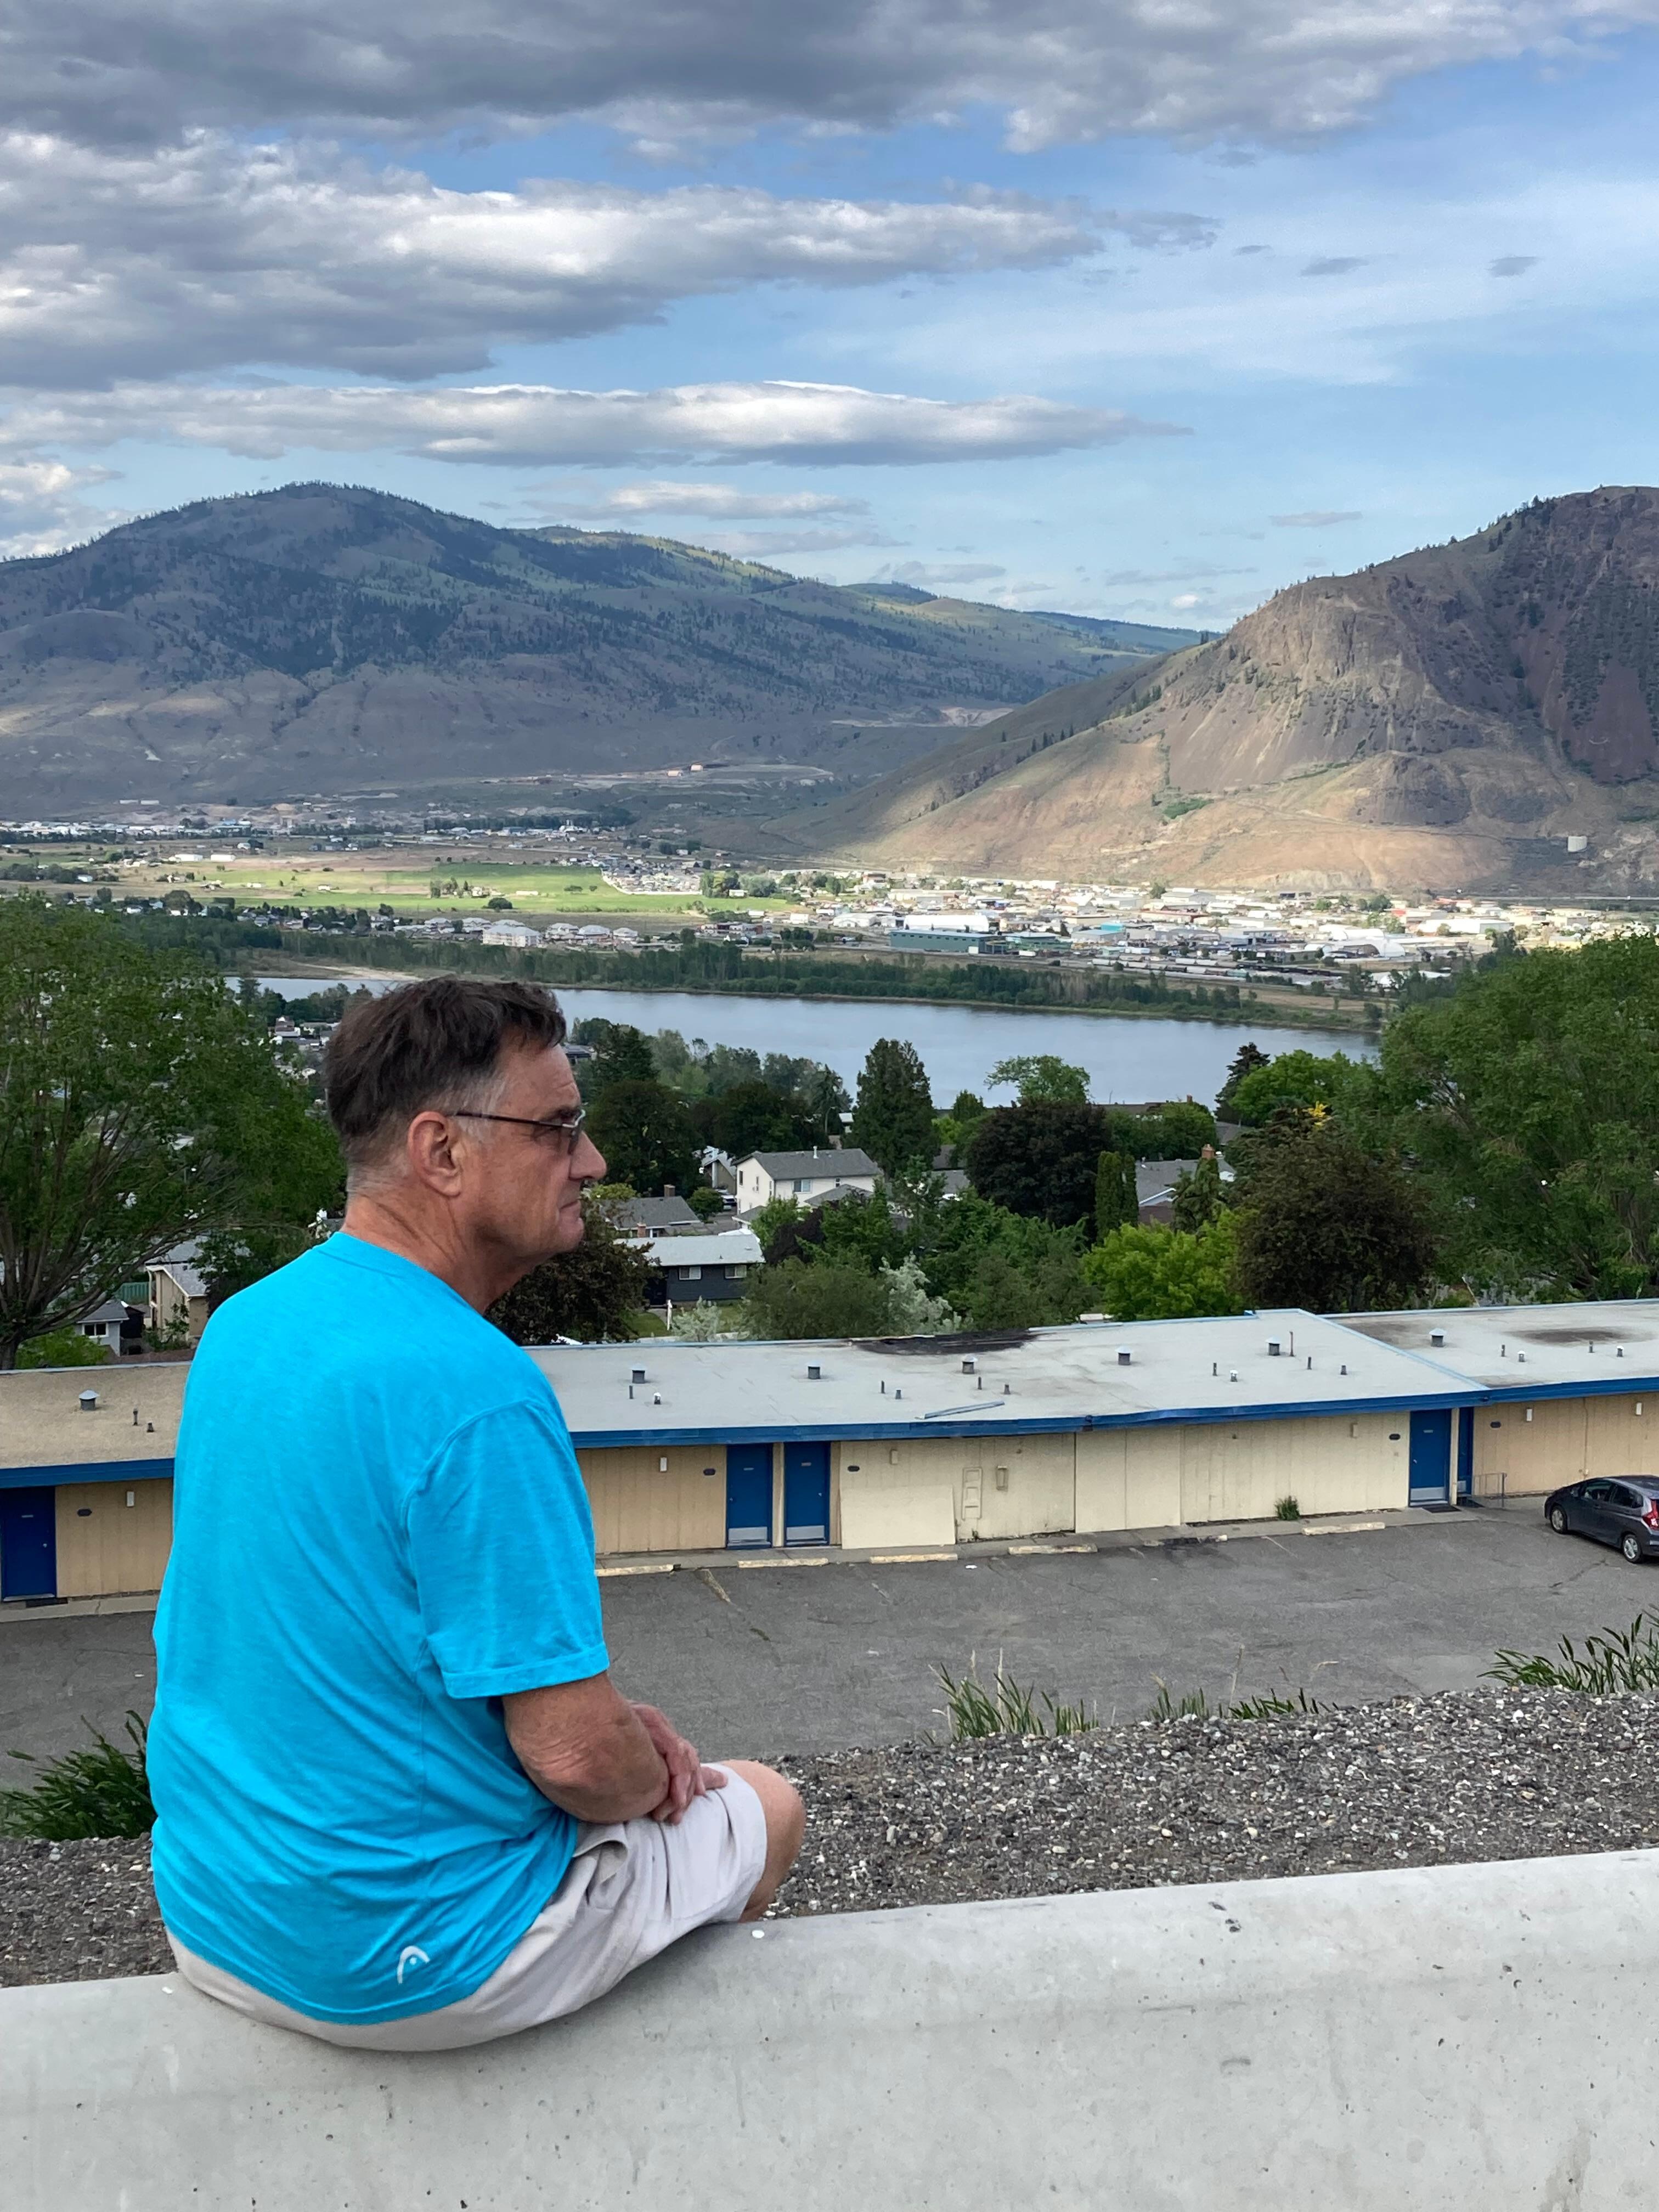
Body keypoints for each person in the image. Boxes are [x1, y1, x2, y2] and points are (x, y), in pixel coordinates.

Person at [148, 977, 803, 2051]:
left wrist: (609, 1732)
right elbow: (578, 1763)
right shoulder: (476, 1394)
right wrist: (648, 1769)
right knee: (766, 1805)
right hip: (406, 1960)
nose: (591, 1163)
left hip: (218, 1917)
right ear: (442, 1151)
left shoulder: (251, 1326)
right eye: (558, 1130)